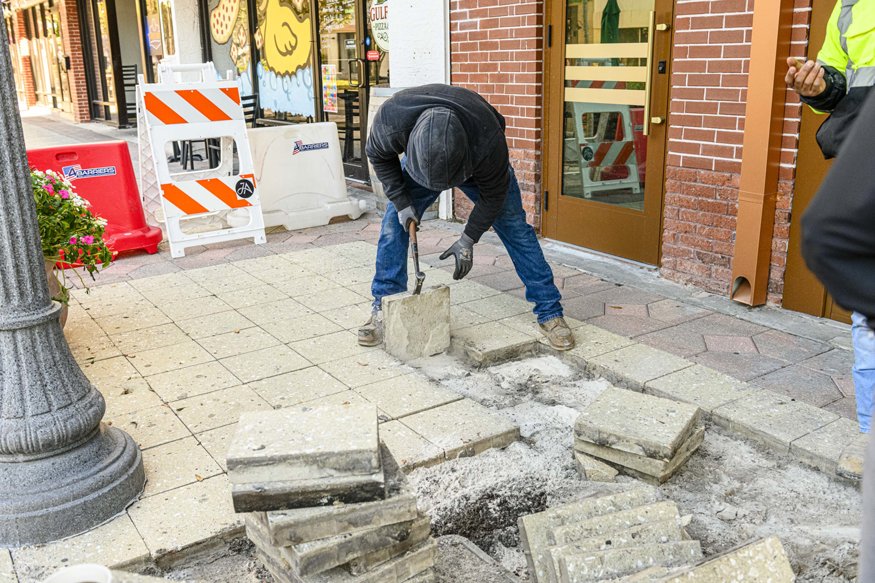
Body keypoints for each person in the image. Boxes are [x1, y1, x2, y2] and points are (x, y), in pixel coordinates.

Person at [358, 84, 575, 351]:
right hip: (422, 165)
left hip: (476, 163)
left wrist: (468, 239)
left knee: (516, 230)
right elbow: (379, 157)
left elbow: (493, 197)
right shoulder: (392, 119)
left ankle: (550, 311)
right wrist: (402, 204)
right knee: (394, 223)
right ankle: (384, 305)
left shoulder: (488, 142)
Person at [785, 0, 875, 435]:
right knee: (867, 319)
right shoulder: (850, 4)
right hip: (868, 158)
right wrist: (818, 87)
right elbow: (838, 82)